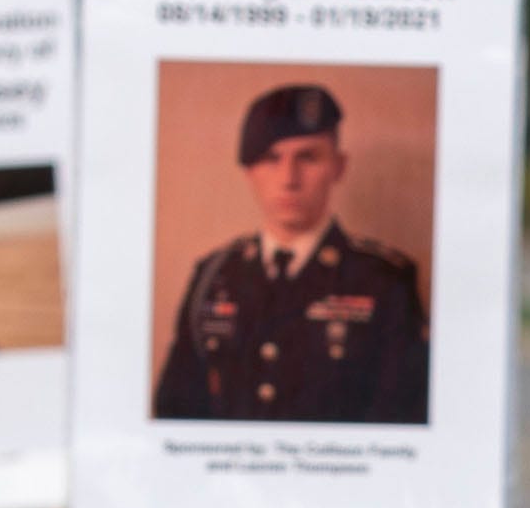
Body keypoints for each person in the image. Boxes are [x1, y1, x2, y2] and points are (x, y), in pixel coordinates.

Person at [152, 83, 430, 423]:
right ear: (250, 172)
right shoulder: (214, 275)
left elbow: (402, 419)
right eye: (271, 159)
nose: (289, 178)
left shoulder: (384, 282)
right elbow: (176, 410)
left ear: (338, 167)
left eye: (308, 157)